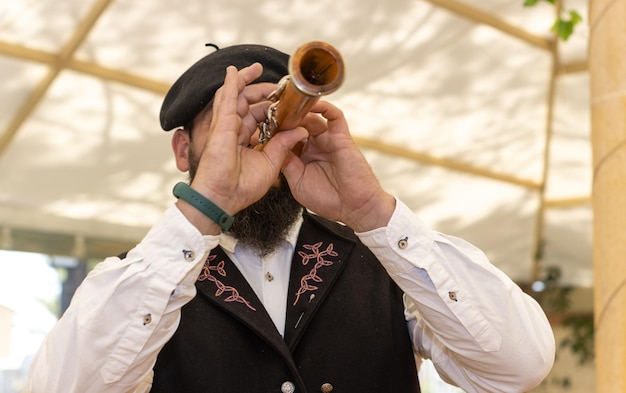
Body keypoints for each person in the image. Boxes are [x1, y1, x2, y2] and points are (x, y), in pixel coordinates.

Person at [26, 44, 555, 393]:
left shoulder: (384, 260)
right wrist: (206, 204)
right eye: (230, 126)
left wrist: (373, 213)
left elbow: (520, 365)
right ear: (183, 149)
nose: (255, 142)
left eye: (271, 123)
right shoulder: (147, 280)